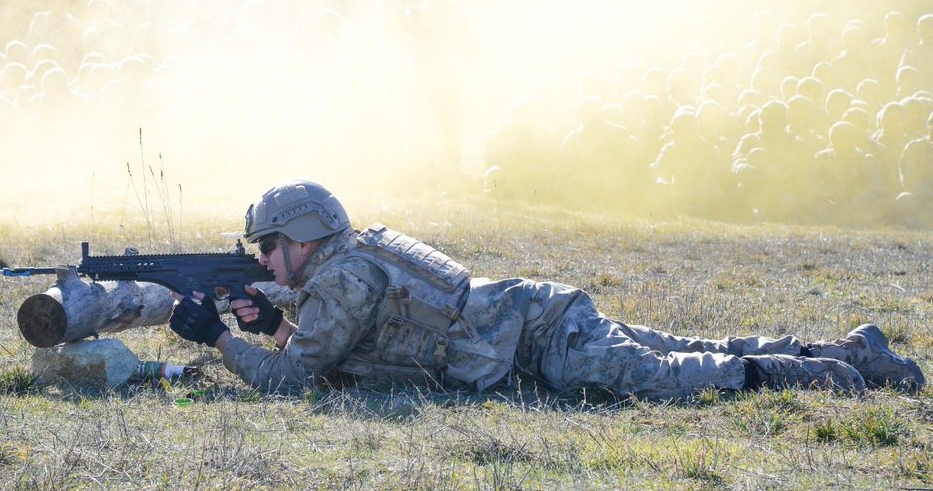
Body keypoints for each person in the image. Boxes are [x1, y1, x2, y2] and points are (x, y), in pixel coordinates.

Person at [167, 181, 925, 399]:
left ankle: (822, 375)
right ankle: (852, 348)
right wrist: (266, 320)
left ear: (299, 236)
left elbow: (297, 380)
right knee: (685, 347)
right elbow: (332, 346)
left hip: (537, 338)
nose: (262, 259)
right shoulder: (344, 266)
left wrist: (222, 340)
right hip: (533, 319)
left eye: (267, 246)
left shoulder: (341, 276)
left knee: (665, 377)